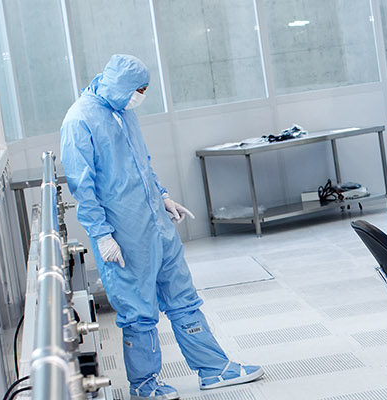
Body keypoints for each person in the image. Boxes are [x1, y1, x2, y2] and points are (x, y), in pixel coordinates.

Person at [60, 55, 261, 400]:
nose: (140, 96)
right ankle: (144, 384)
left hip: (155, 224)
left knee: (183, 297)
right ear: (120, 85)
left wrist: (163, 196)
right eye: (138, 90)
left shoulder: (124, 111)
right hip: (123, 234)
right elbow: (83, 186)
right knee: (138, 312)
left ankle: (213, 369)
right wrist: (102, 235)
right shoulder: (80, 119)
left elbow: (142, 163)